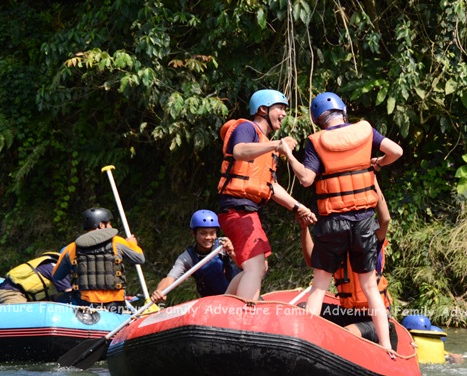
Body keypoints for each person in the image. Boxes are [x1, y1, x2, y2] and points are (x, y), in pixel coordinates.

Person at [286, 91, 403, 351]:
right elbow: (396, 151)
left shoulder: (315, 141)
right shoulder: (365, 131)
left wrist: (288, 155)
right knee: (370, 286)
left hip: (333, 221)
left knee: (319, 285)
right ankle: (387, 347)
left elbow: (306, 179)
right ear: (343, 111)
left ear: (318, 119)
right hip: (363, 220)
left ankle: (306, 342)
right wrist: (379, 162)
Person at [217, 88, 316, 301]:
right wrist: (277, 144)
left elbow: (271, 186)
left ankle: (224, 304)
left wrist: (298, 207)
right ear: (263, 109)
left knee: (259, 265)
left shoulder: (266, 147)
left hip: (246, 210)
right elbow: (239, 151)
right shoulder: (247, 127)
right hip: (237, 208)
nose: (284, 113)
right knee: (255, 265)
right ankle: (246, 312)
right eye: (280, 108)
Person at [297, 178, 396, 349]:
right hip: (346, 312)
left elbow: (385, 219)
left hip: (372, 317)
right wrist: (304, 228)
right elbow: (311, 260)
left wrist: (372, 180)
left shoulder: (369, 242)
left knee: (348, 333)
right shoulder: (335, 247)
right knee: (301, 308)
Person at [53, 207, 145, 313]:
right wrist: (132, 244)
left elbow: (57, 276)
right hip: (115, 305)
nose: (111, 227)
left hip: (85, 304)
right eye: (109, 224)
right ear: (101, 225)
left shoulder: (71, 248)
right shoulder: (117, 242)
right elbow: (140, 259)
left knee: (59, 299)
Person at [151, 210, 241, 303]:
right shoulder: (187, 257)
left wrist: (231, 252)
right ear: (193, 233)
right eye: (203, 233)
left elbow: (244, 266)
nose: (208, 237)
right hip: (213, 304)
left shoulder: (224, 245)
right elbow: (170, 278)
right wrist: (160, 291)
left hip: (239, 296)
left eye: (212, 233)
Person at [0, 251, 71, 304]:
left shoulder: (51, 266)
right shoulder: (55, 268)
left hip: (24, 295)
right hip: (12, 293)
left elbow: (56, 298)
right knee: (21, 318)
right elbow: (69, 294)